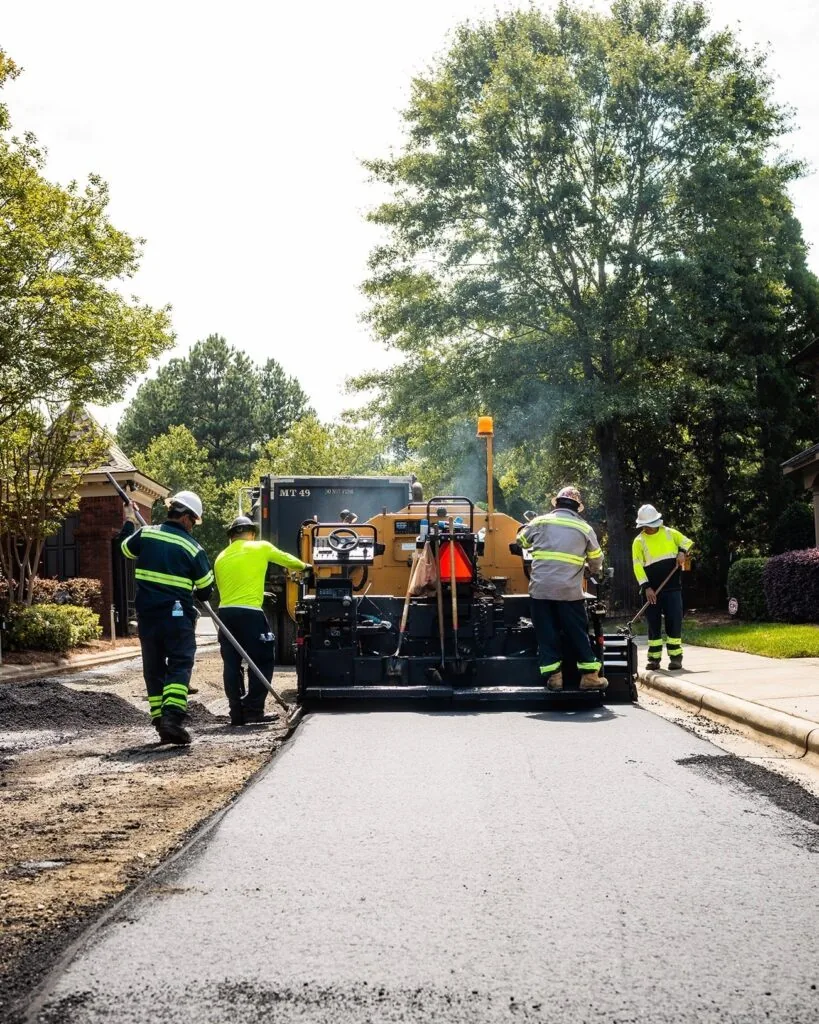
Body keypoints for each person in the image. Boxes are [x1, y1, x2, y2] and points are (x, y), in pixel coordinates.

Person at [118, 491, 214, 745]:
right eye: (193, 521)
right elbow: (206, 590)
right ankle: (172, 717)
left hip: (147, 615)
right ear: (185, 517)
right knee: (180, 662)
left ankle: (161, 721)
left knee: (154, 668)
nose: (192, 526)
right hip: (177, 615)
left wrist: (129, 519)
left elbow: (125, 548)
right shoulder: (193, 548)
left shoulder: (147, 534)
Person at [213, 516, 311, 725]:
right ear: (252, 533)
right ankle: (254, 709)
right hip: (250, 615)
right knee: (263, 659)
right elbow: (288, 560)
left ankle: (236, 712)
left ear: (231, 536)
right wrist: (307, 567)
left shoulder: (221, 556)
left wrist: (261, 593)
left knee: (232, 663)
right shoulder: (260, 547)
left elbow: (234, 586)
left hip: (225, 615)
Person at [516, 486, 607, 691]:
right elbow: (597, 560)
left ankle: (555, 679)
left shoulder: (539, 521)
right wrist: (591, 570)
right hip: (569, 592)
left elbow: (519, 541)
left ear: (556, 503)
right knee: (577, 632)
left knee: (546, 634)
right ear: (577, 507)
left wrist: (525, 530)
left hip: (540, 591)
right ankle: (590, 677)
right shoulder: (584, 528)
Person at [632, 504, 694, 671]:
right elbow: (637, 566)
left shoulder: (669, 533)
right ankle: (654, 659)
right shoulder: (639, 541)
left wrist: (682, 552)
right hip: (651, 590)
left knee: (674, 621)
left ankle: (675, 658)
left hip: (672, 587)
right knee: (653, 624)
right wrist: (646, 587)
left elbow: (687, 543)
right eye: (646, 525)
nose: (649, 528)